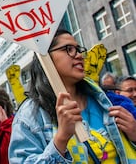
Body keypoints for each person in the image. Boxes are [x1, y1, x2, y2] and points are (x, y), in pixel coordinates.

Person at [9, 29, 136, 163]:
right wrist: (61, 138)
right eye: (69, 49)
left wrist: (134, 135)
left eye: (78, 49)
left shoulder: (105, 101)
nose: (79, 55)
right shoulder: (30, 115)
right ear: (45, 57)